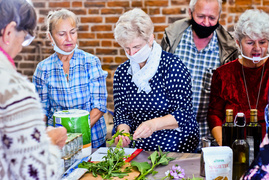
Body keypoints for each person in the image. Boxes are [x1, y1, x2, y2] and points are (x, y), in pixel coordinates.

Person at [113, 8, 199, 152]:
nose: (132, 54)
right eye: (126, 48)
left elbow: (184, 113)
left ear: (150, 39)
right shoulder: (122, 73)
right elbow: (121, 112)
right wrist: (123, 132)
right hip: (138, 146)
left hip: (175, 144)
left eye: (136, 47)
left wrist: (153, 125)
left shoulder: (172, 66)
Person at [0, 0, 67, 179]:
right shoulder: (14, 90)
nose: (21, 47)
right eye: (24, 38)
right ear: (8, 32)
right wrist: (49, 143)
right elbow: (37, 173)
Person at [161, 0, 238, 150]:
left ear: (219, 16)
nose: (206, 23)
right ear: (190, 13)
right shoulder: (173, 38)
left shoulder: (228, 49)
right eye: (201, 16)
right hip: (171, 134)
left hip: (208, 136)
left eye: (212, 18)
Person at [32, 9, 108, 148]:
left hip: (93, 140)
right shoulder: (43, 69)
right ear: (50, 37)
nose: (69, 38)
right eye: (62, 34)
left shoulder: (90, 62)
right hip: (59, 143)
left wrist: (76, 134)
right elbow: (42, 110)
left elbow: (100, 105)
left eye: (72, 32)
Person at [207, 9, 269, 145]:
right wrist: (225, 145)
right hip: (234, 146)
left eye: (263, 42)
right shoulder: (223, 74)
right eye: (250, 43)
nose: (257, 48)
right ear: (238, 42)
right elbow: (214, 115)